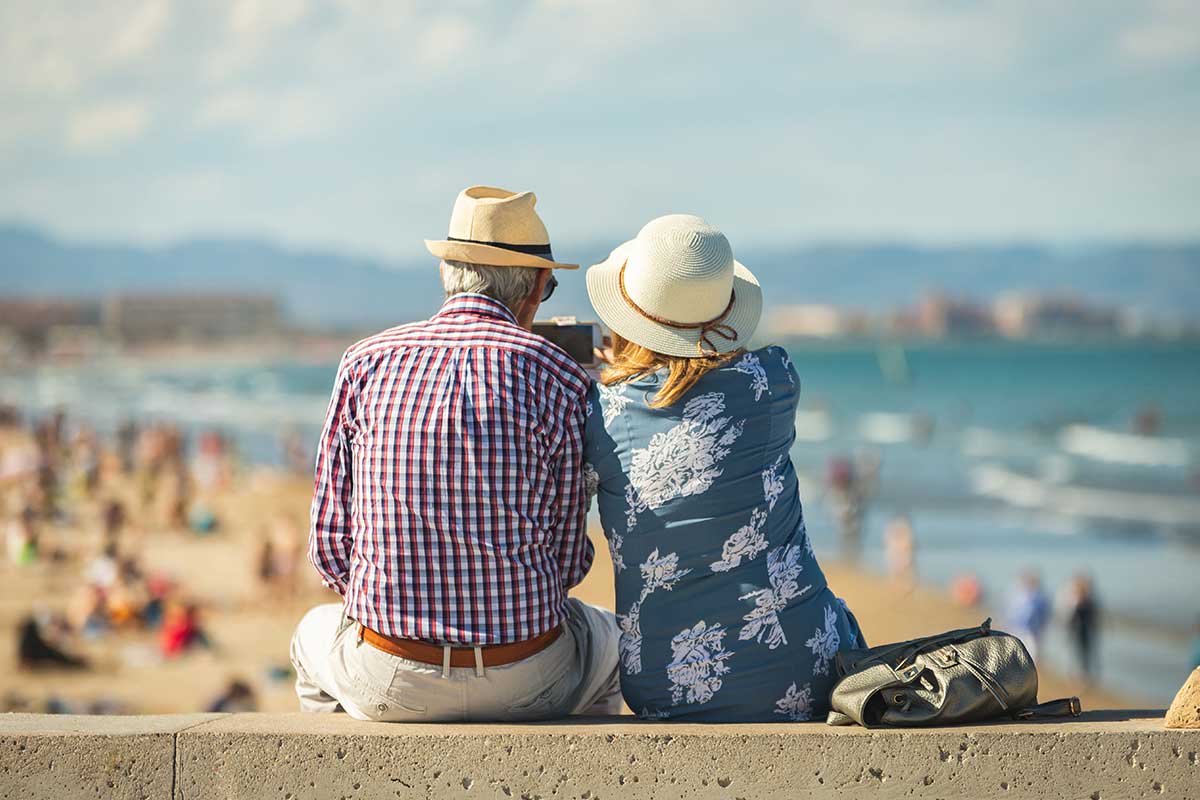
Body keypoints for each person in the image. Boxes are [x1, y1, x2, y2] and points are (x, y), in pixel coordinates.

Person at [291, 186, 620, 722]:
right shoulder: (560, 377)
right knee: (608, 642)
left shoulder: (364, 362)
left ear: (448, 272)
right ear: (536, 286)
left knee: (311, 635)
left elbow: (330, 552)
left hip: (391, 677)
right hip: (527, 675)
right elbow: (567, 563)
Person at [583, 214, 863, 721]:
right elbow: (703, 384)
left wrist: (609, 374)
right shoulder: (774, 380)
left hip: (666, 684)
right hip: (804, 667)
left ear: (629, 316)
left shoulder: (600, 412)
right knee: (839, 615)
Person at [1060, 573, 1100, 679]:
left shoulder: (1089, 600)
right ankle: (1075, 673)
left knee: (1085, 653)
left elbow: (1093, 617)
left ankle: (1084, 674)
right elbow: (1069, 617)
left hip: (1084, 631)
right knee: (1075, 652)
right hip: (1075, 631)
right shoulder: (1073, 600)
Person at [1006, 570, 1051, 661]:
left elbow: (1044, 616)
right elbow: (1010, 614)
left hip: (1032, 632)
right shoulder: (1016, 596)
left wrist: (1041, 629)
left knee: (1031, 657)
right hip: (1017, 630)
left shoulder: (1040, 598)